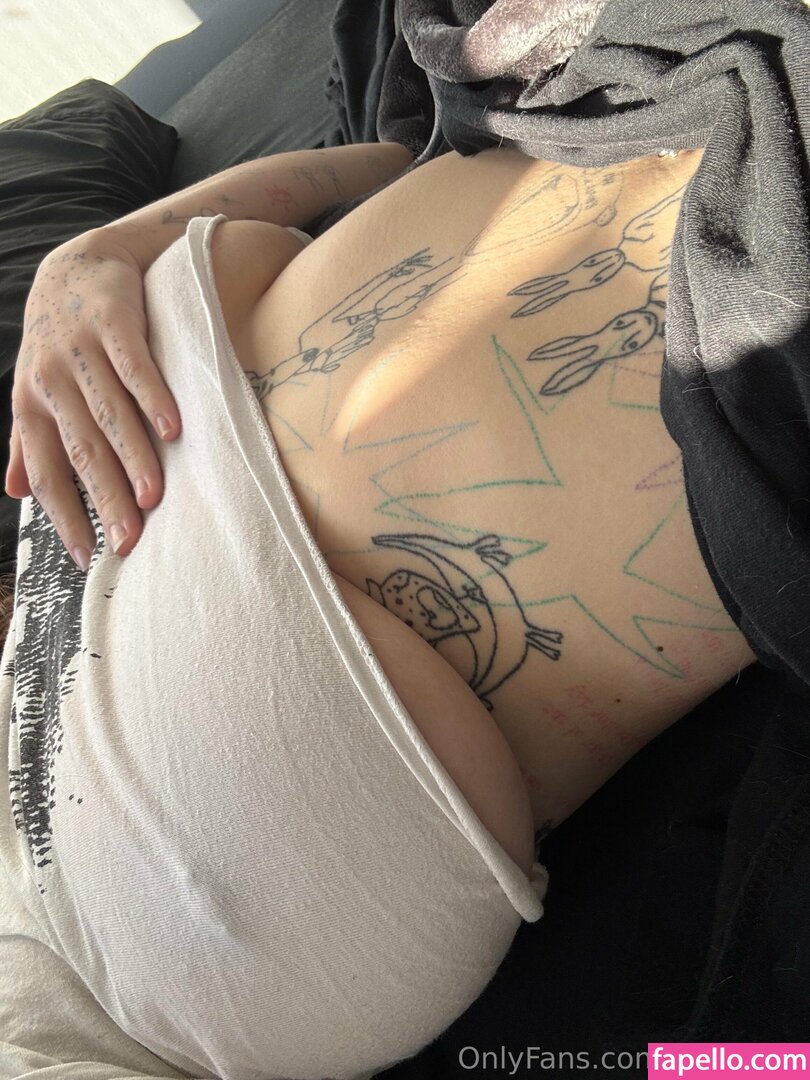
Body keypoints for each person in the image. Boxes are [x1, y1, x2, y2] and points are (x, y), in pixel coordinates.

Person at [1, 135, 756, 1078]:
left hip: (614, 118)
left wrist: (93, 254)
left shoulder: (29, 639)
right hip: (749, 361)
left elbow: (378, 158)